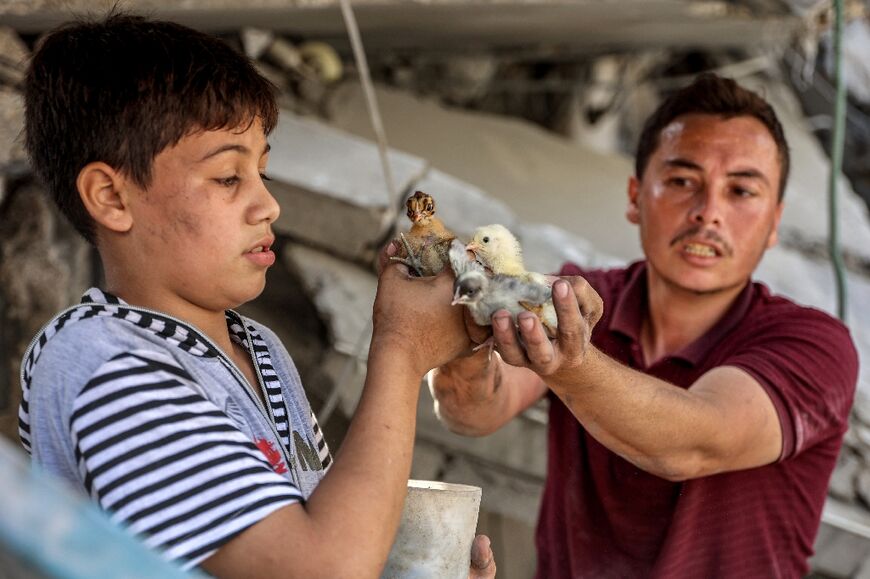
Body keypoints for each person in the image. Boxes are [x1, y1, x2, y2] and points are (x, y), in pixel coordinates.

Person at [19, 13, 496, 578]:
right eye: (228, 178)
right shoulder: (101, 363)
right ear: (111, 197)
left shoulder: (255, 344)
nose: (268, 206)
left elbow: (307, 539)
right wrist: (399, 353)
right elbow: (319, 571)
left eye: (262, 173)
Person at [431, 73, 859, 577]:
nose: (708, 214)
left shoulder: (815, 345)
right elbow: (472, 412)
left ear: (774, 223)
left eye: (742, 190)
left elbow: (695, 442)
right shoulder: (585, 299)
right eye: (682, 181)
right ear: (635, 197)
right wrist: (466, 326)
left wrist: (568, 363)